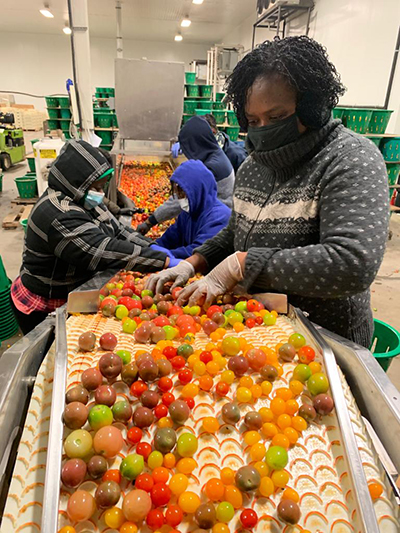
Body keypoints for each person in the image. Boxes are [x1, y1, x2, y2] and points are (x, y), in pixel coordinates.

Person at [146, 36, 389, 348]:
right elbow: (235, 232)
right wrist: (194, 262)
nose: (263, 129)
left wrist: (243, 265)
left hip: (325, 340)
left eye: (277, 117)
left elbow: (352, 264)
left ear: (311, 106)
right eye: (253, 120)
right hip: (259, 331)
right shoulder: (253, 166)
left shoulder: (350, 158)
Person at [11, 140, 174, 334]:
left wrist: (152, 247)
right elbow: (102, 250)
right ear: (79, 182)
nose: (100, 193)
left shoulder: (81, 197)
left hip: (69, 291)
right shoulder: (58, 213)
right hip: (43, 303)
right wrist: (162, 261)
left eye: (101, 186)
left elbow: (119, 231)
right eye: (96, 186)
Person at [137, 116, 234, 234]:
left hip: (215, 226)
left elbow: (182, 199)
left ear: (196, 144)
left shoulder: (212, 167)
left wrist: (150, 222)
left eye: (188, 146)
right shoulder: (213, 154)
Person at [151, 160, 231, 259]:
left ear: (197, 190)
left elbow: (199, 252)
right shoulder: (189, 212)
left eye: (183, 193)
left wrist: (165, 255)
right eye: (178, 193)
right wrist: (154, 247)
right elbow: (173, 236)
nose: (180, 198)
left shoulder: (219, 217)